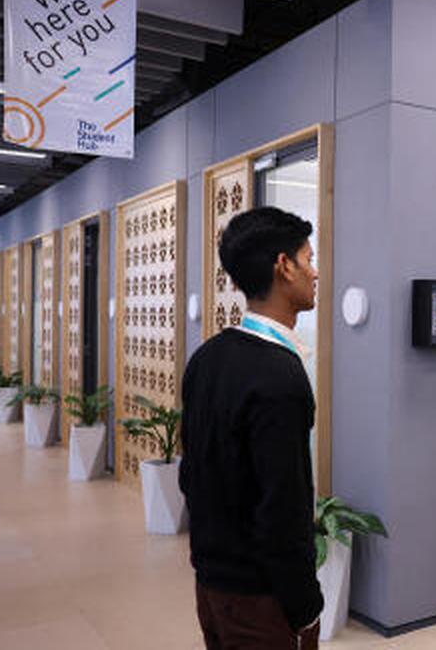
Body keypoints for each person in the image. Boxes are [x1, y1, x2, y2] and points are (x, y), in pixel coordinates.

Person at [180, 207, 323, 649]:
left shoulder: (207, 357)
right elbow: (282, 509)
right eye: (309, 259)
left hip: (212, 585)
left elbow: (191, 476)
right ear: (284, 266)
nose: (315, 273)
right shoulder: (280, 377)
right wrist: (305, 606)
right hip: (262, 599)